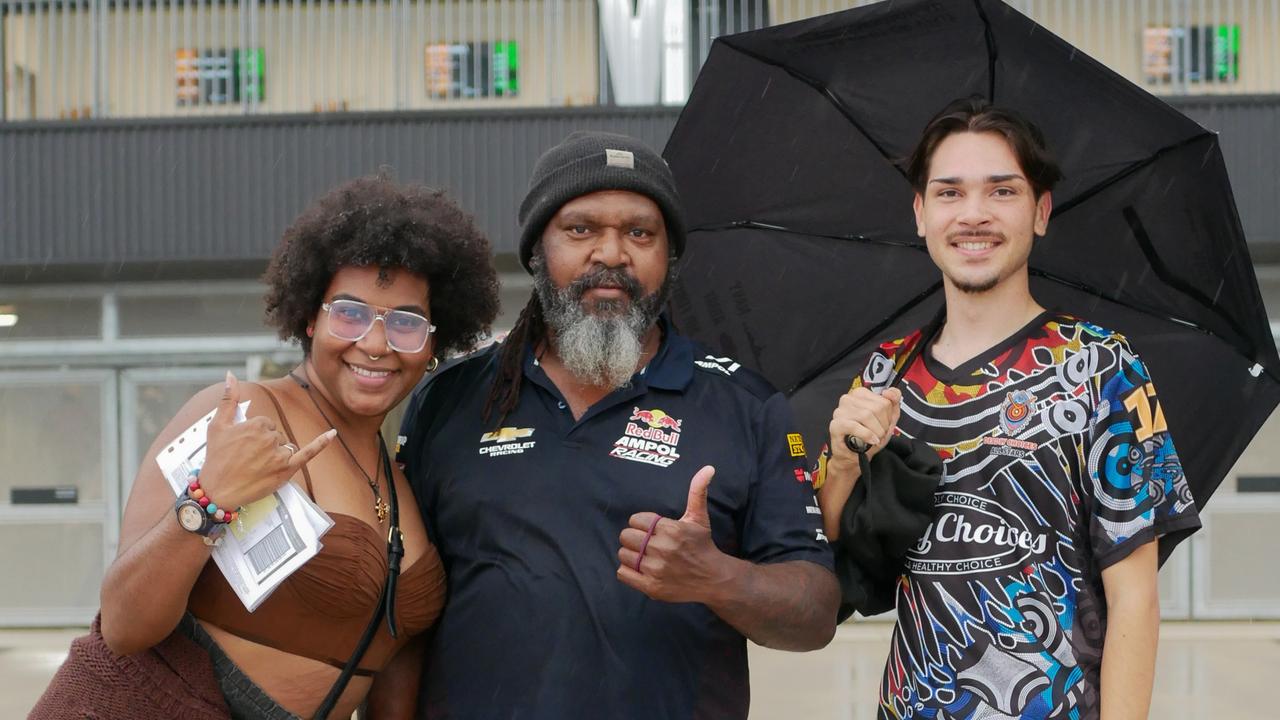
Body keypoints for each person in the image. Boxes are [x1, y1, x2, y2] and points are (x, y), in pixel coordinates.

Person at [394, 131, 839, 719]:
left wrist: (716, 577)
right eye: (581, 229)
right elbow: (403, 611)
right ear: (536, 252)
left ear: (668, 258)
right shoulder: (448, 399)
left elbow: (814, 615)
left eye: (640, 232)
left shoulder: (746, 405)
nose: (611, 253)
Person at [33, 175, 500, 720]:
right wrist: (209, 501)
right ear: (309, 316)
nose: (375, 344)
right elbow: (123, 626)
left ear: (433, 343)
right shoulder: (239, 415)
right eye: (348, 313)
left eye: (405, 322)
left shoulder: (404, 475)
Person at [814, 97, 1201, 719]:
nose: (974, 215)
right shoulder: (885, 372)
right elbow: (839, 559)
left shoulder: (1100, 367)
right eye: (949, 193)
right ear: (920, 213)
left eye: (1002, 191)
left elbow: (1135, 598)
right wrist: (841, 463)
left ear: (1040, 211)